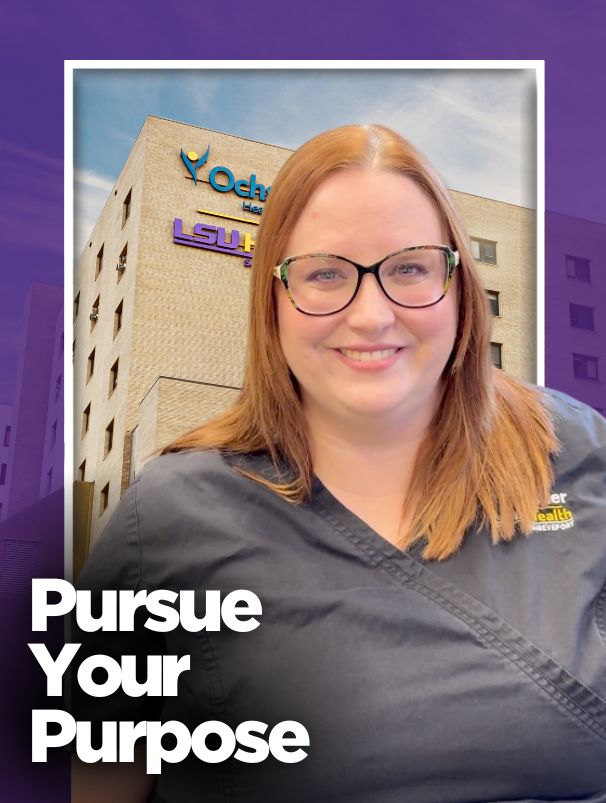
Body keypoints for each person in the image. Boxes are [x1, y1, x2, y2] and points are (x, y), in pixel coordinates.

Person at [73, 124, 606, 802]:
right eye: (327, 273)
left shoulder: (579, 450)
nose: (373, 314)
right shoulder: (170, 515)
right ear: (273, 299)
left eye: (409, 267)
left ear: (460, 287)